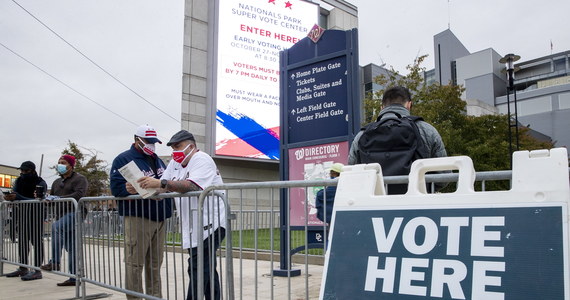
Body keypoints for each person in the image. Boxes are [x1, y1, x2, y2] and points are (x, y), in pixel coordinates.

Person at [131, 130, 226, 300]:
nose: (175, 151)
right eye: (173, 147)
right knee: (207, 268)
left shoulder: (202, 159)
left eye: (178, 146)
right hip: (193, 224)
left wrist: (162, 182)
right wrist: (142, 186)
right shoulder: (174, 163)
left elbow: (192, 186)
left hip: (212, 222)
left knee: (197, 266)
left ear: (191, 146)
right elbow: (162, 188)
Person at [110, 124, 173, 299]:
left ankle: (155, 296)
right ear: (137, 140)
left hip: (160, 216)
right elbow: (116, 188)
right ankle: (135, 297)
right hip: (139, 216)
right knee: (134, 264)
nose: (151, 145)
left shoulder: (157, 159)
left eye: (154, 142)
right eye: (147, 141)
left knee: (155, 264)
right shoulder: (123, 159)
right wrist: (126, 188)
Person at [348, 86, 447, 193]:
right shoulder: (427, 130)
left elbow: (351, 173)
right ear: (409, 105)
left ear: (382, 107)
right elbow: (443, 177)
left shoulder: (362, 134)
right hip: (417, 203)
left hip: (375, 205)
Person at [40, 154, 88, 287]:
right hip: (61, 214)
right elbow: (53, 199)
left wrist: (59, 199)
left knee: (56, 227)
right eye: (59, 162)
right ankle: (74, 277)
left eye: (64, 162)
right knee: (71, 247)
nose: (60, 164)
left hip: (75, 213)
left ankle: (54, 261)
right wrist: (45, 199)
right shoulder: (56, 182)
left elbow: (79, 194)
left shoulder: (80, 179)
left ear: (71, 166)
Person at [4, 161, 47, 281]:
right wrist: (9, 197)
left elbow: (38, 200)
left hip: (36, 215)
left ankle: (37, 270)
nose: (23, 173)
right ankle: (23, 267)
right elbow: (15, 193)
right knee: (23, 241)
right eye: (21, 171)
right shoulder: (19, 181)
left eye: (26, 171)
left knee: (36, 241)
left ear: (32, 171)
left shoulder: (40, 183)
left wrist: (18, 197)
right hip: (23, 214)